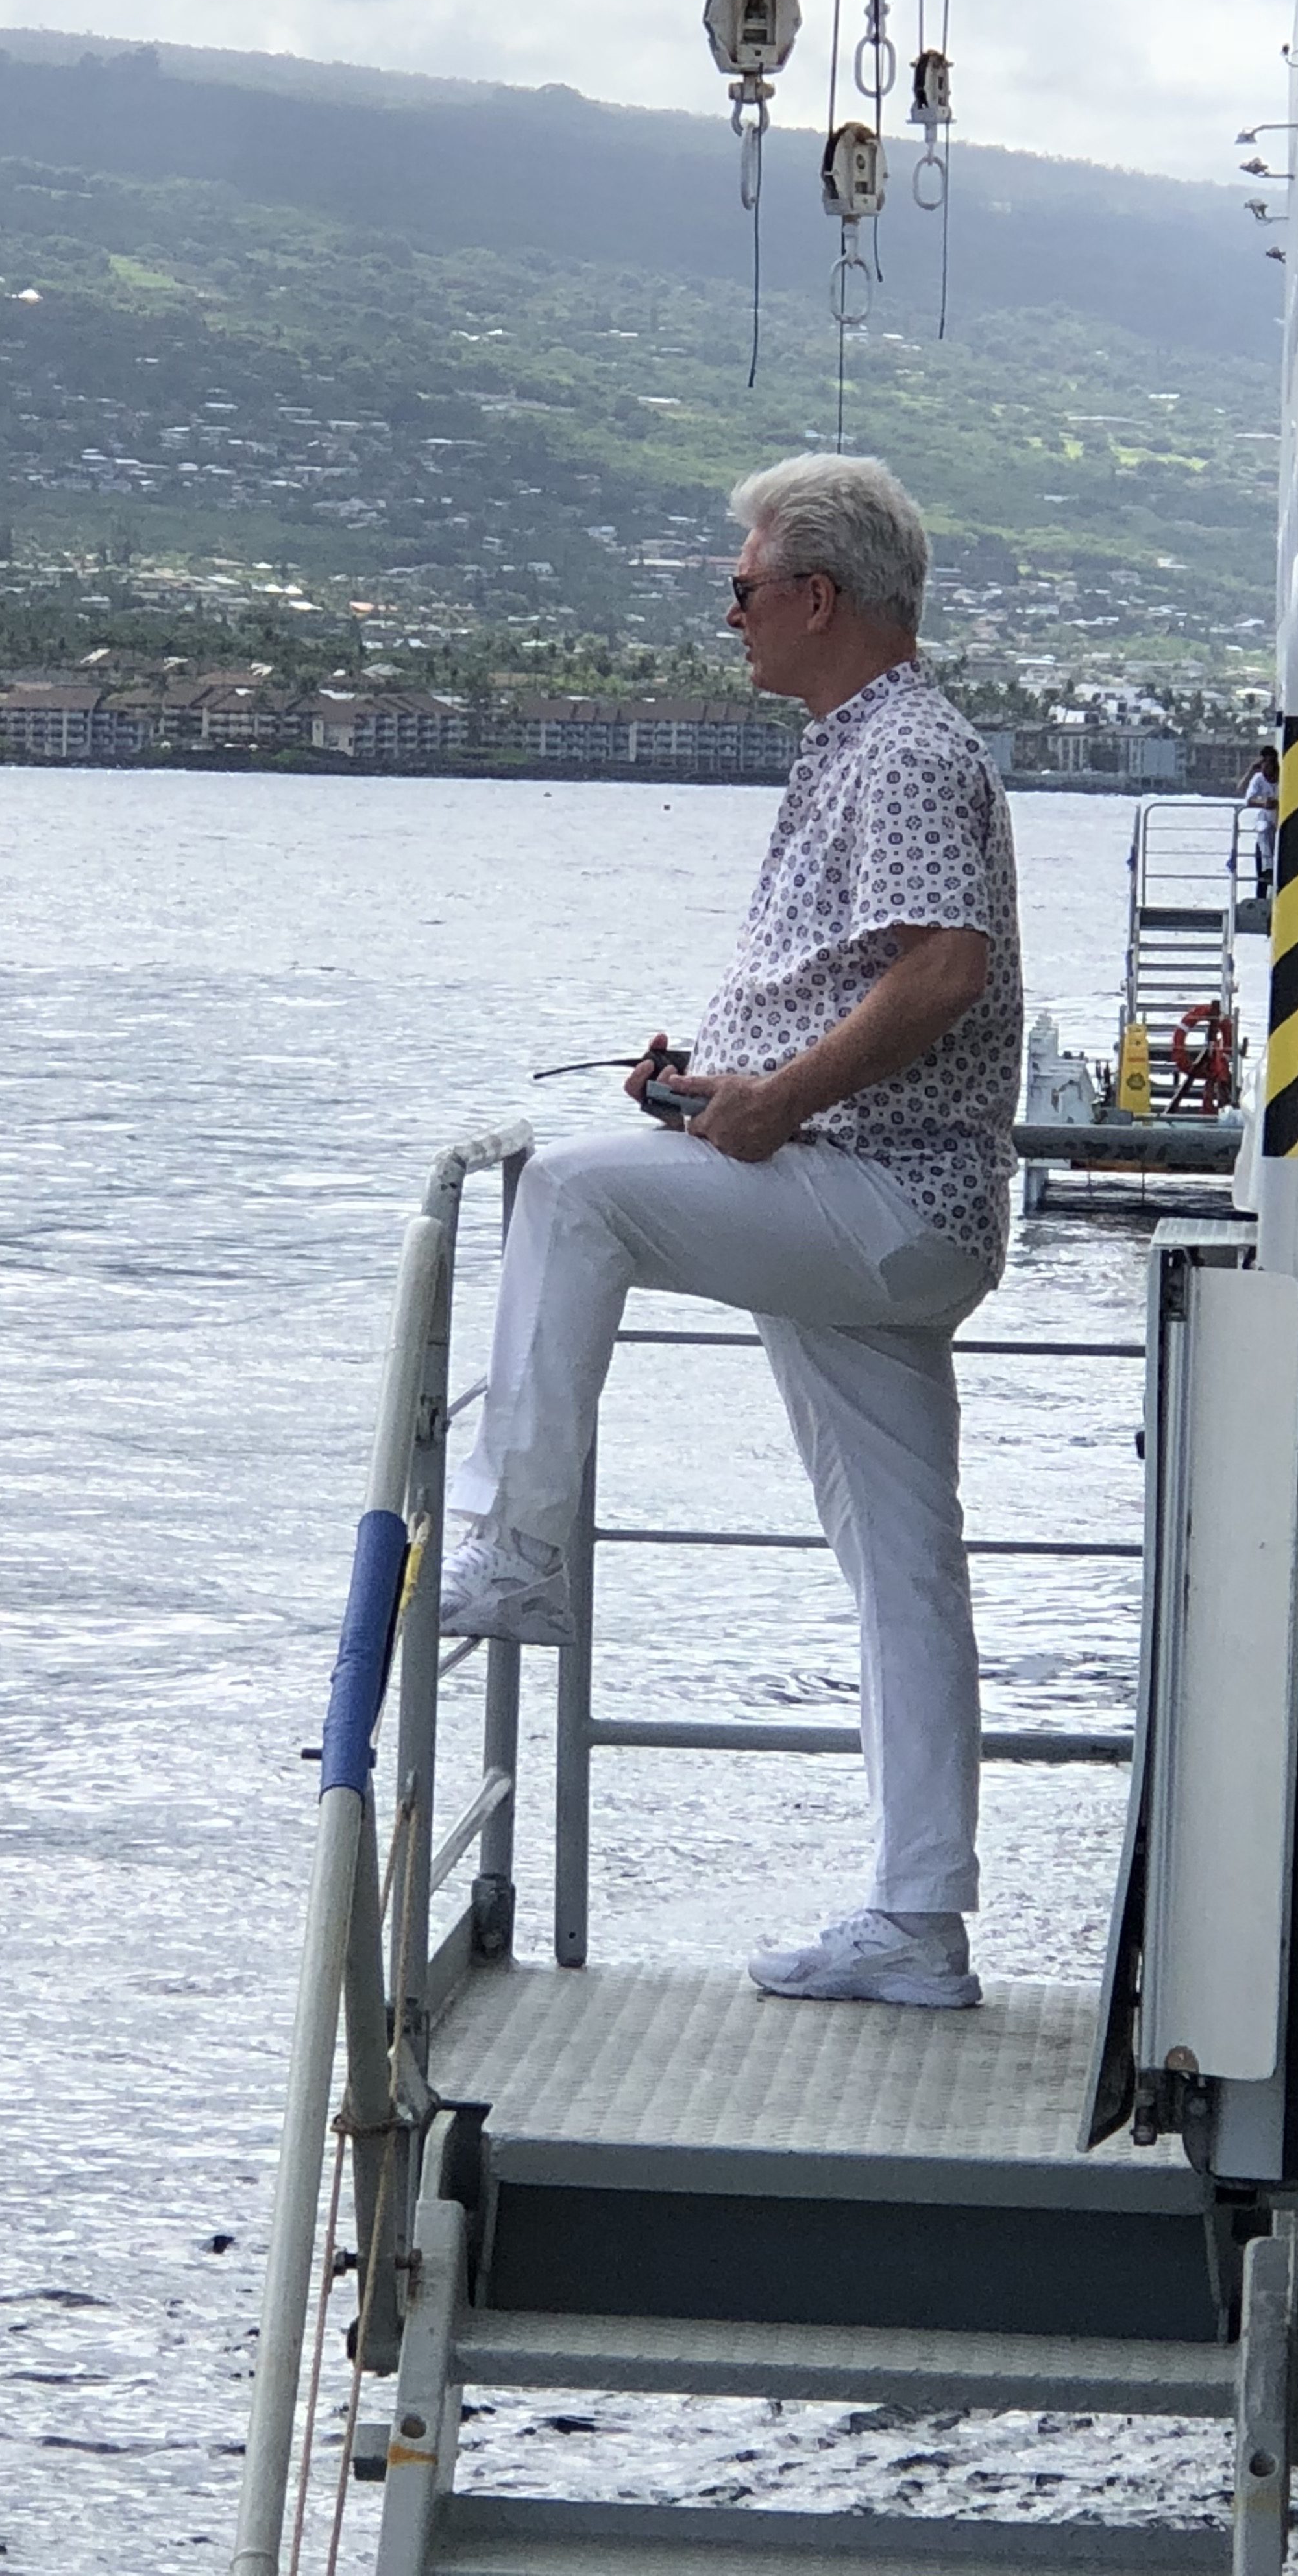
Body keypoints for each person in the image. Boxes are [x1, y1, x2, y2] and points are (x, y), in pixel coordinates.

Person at [437, 453, 1024, 2010]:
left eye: (745, 585)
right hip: (890, 1195)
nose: (730, 611)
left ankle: (520, 1547)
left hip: (873, 1190)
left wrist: (774, 1106)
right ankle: (920, 1926)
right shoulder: (866, 742)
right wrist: (718, 1082)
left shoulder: (902, 750)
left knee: (571, 1194)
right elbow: (855, 980)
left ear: (818, 596)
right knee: (905, 1570)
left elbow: (944, 970)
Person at [1240, 744, 1280, 898]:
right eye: (1262, 763)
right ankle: (1268, 869)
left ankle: (1269, 868)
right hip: (1267, 827)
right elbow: (1248, 798)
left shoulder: (1284, 778)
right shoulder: (1258, 779)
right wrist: (1264, 803)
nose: (1265, 767)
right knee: (1263, 827)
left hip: (1280, 825)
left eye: (1268, 763)